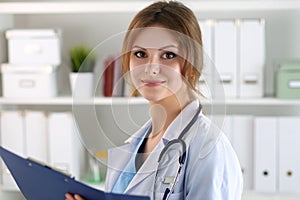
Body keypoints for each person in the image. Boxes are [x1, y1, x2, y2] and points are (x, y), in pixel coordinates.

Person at [66, 1, 243, 200]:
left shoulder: (208, 147)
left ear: (192, 65)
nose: (151, 68)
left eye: (168, 55)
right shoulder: (137, 144)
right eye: (140, 54)